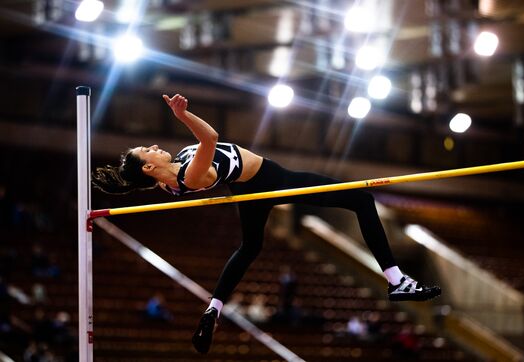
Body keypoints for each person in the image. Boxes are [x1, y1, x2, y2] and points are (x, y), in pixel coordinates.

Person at [92, 93, 441, 354]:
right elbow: (210, 139)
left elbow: (157, 175)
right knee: (361, 199)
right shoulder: (190, 174)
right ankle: (397, 280)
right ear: (150, 168)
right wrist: (183, 115)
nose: (153, 146)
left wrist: (130, 176)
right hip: (271, 179)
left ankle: (214, 307)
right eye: (147, 151)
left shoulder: (169, 181)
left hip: (250, 189)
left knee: (250, 246)